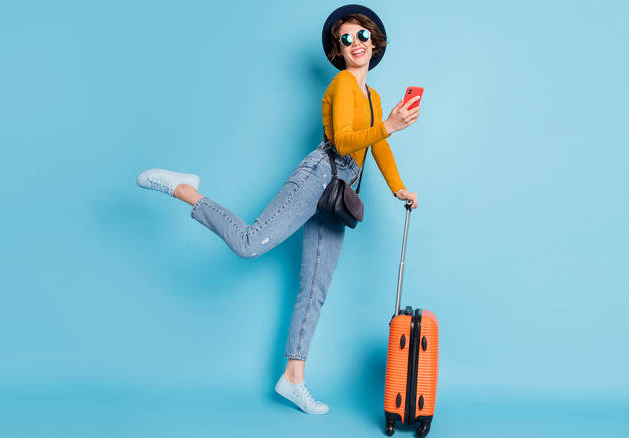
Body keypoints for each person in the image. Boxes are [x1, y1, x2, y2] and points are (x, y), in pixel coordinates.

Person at [136, 5, 421, 415]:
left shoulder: (373, 97)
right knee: (252, 243)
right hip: (320, 174)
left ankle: (293, 379)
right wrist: (389, 125)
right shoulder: (342, 84)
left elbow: (378, 147)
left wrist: (399, 187)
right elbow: (342, 141)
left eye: (362, 35)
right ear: (336, 51)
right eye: (346, 38)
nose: (356, 43)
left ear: (374, 41)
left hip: (338, 191)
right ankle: (183, 189)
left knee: (315, 289)